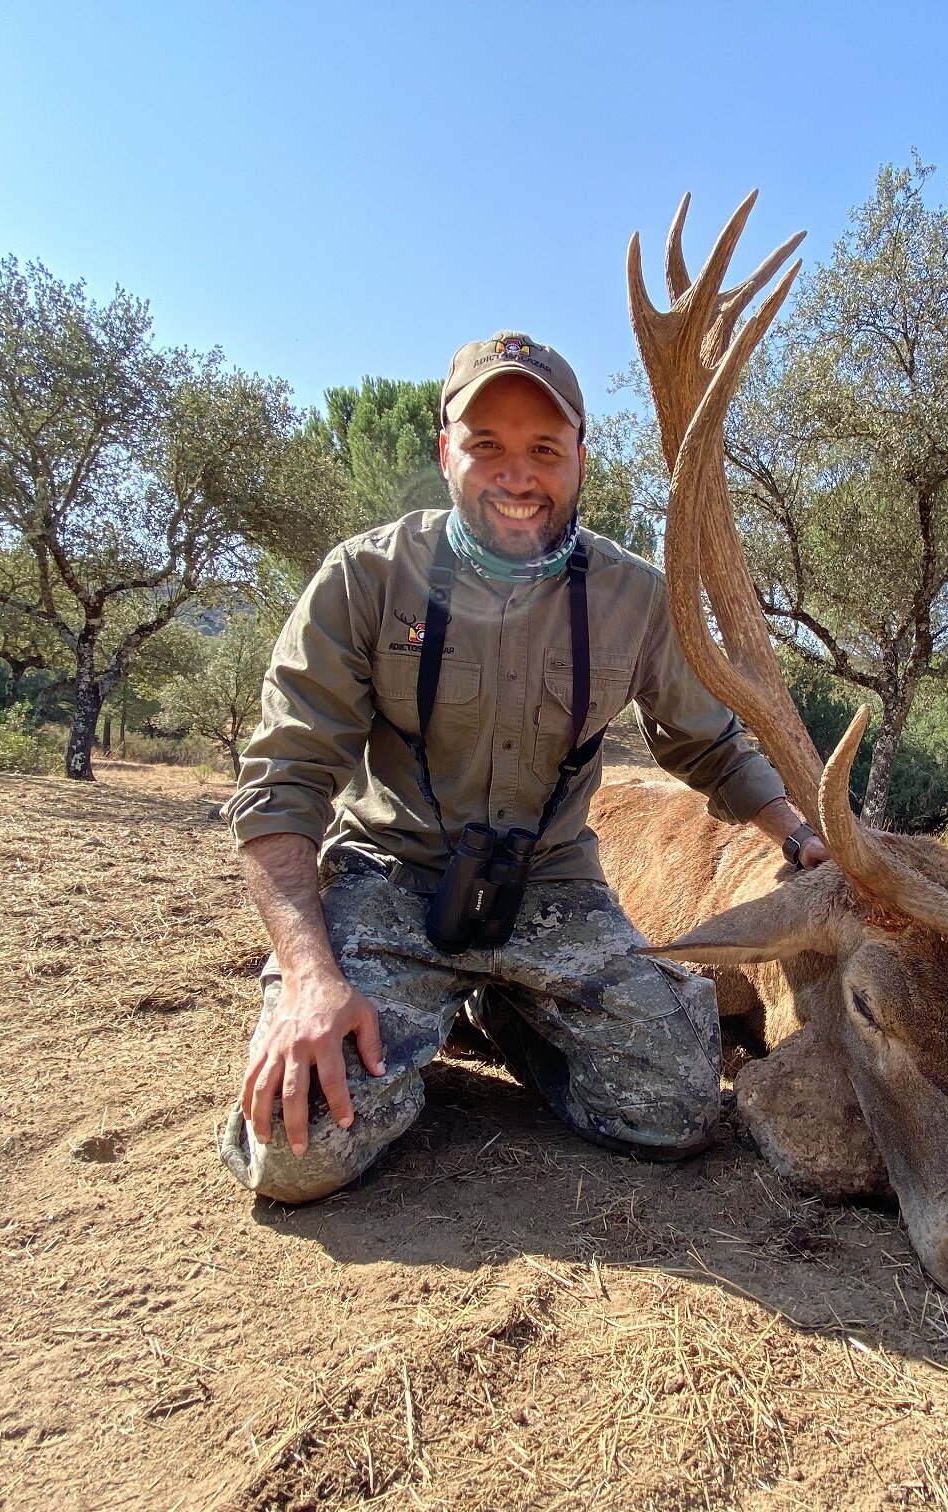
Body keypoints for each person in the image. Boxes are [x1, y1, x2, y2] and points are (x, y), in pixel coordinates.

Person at [218, 331, 827, 1201]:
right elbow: (283, 782)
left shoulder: (637, 599)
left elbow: (712, 744)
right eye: (486, 446)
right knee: (298, 1154)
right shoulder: (363, 578)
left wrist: (799, 834)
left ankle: (501, 1009)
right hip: (392, 880)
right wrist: (314, 981)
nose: (517, 475)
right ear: (444, 452)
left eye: (545, 448)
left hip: (552, 889)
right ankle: (419, 1011)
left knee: (676, 1112)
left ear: (581, 455)